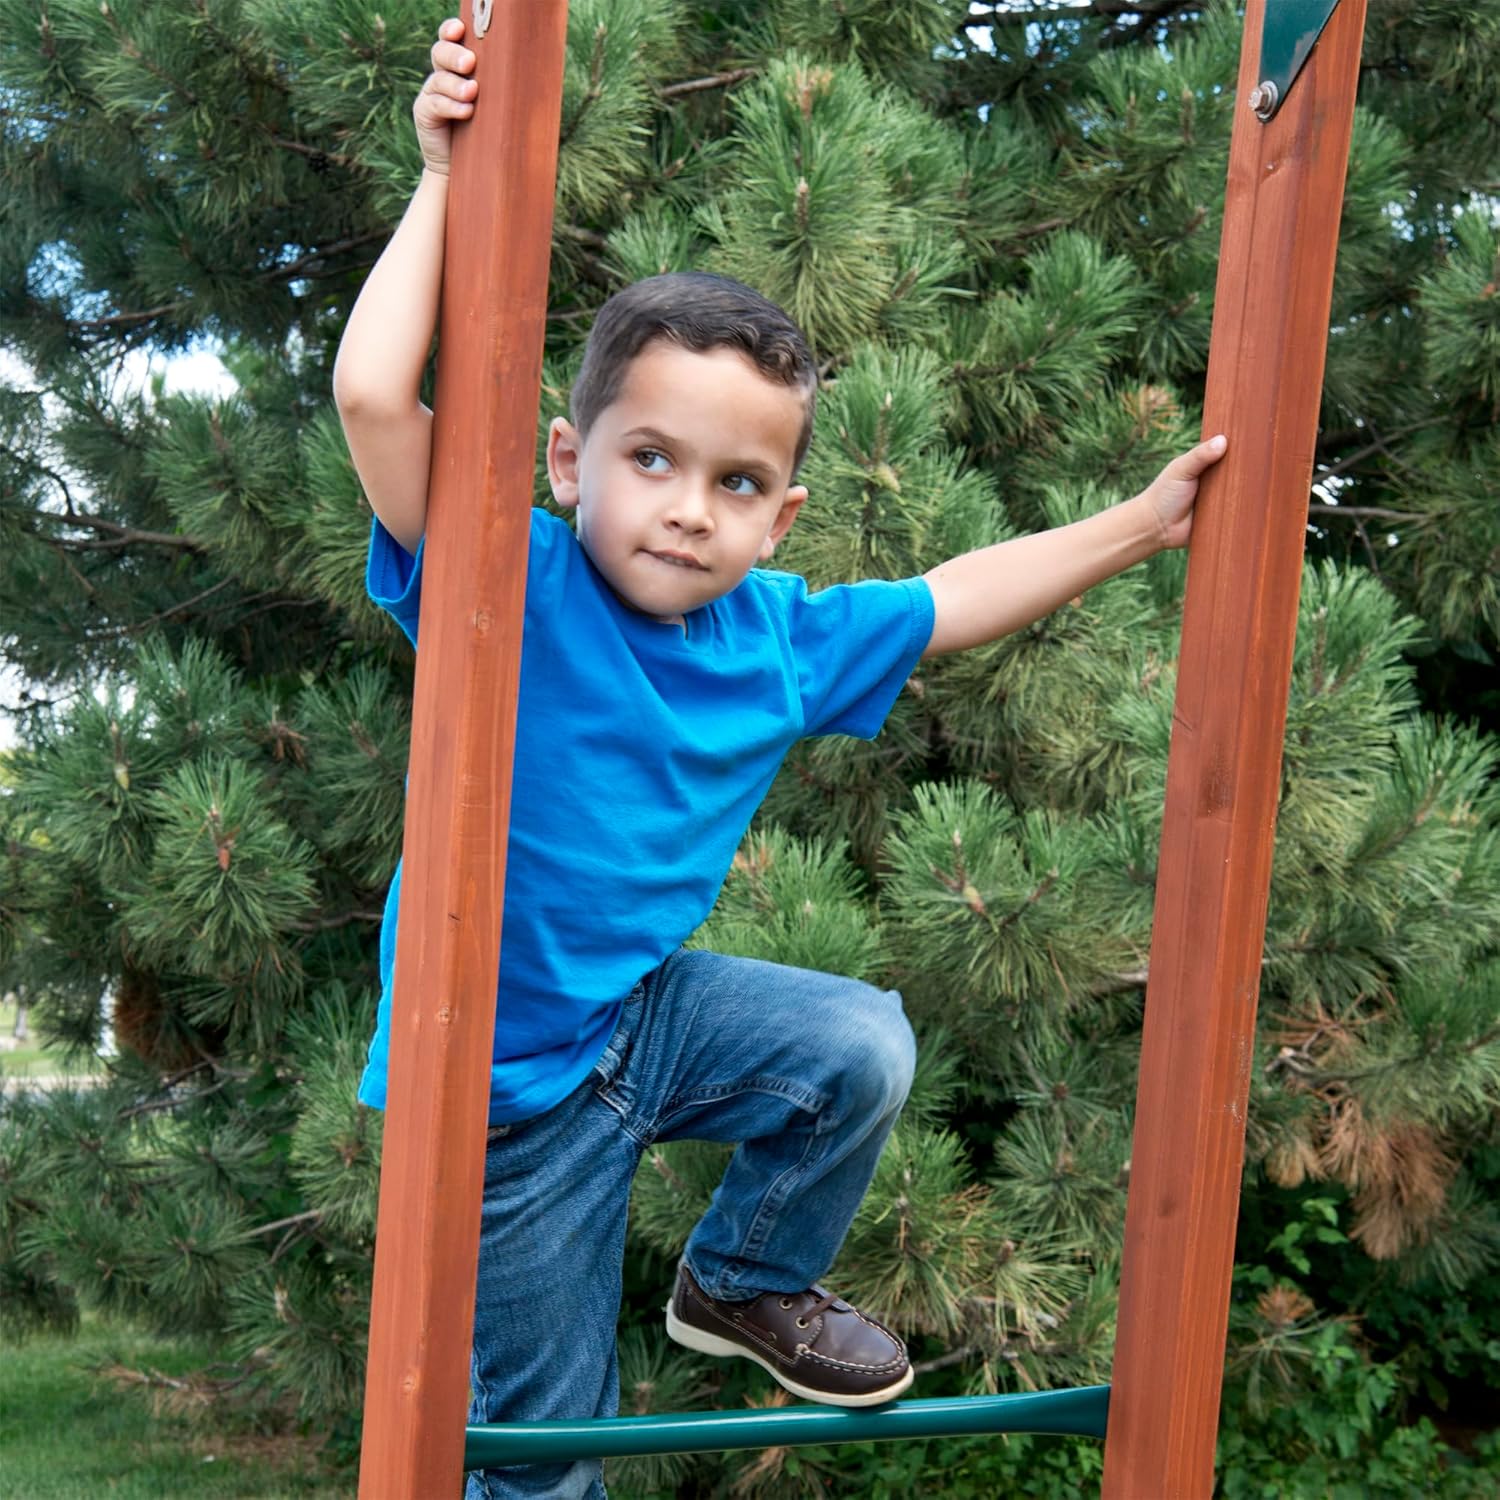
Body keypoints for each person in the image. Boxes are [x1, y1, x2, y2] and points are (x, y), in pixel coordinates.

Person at [333, 17, 1228, 1499]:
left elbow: (957, 596)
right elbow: (376, 399)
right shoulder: (513, 577)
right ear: (571, 462)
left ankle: (742, 1276)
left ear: (780, 518)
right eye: (652, 460)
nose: (690, 507)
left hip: (643, 1021)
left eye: (736, 482)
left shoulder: (782, 638)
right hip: (499, 1097)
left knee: (857, 1044)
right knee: (543, 1457)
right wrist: (443, 178)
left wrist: (1142, 522)